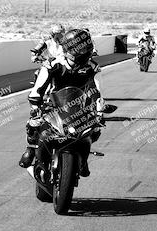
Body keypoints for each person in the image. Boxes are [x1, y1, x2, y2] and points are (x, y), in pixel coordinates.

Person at [19, 29, 104, 177]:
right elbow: (38, 87)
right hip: (53, 104)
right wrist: (35, 103)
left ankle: (83, 160)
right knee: (34, 124)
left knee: (95, 129)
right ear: (69, 49)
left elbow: (95, 88)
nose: (83, 52)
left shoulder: (91, 67)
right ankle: (31, 149)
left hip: (79, 107)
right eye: (80, 49)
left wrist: (99, 108)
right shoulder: (53, 64)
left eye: (86, 48)